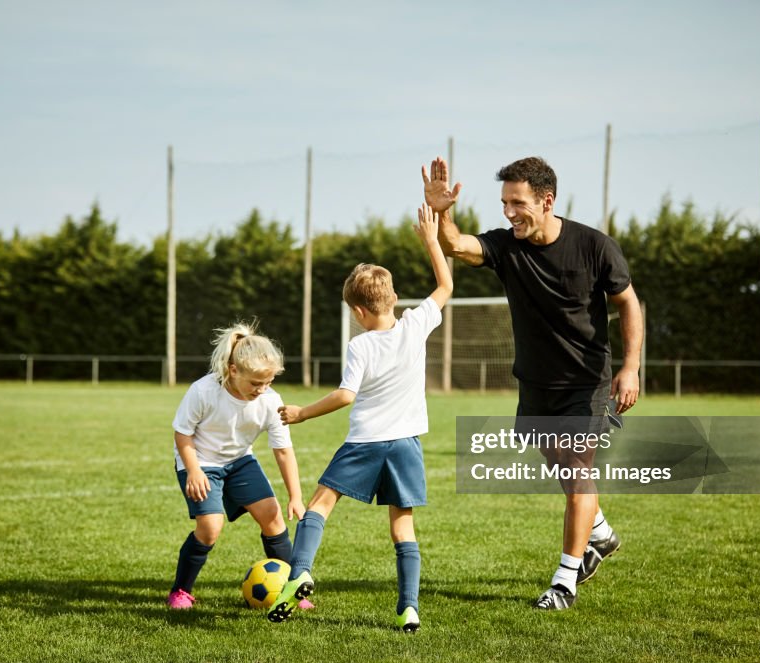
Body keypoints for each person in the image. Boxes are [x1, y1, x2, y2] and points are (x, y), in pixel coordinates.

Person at [421, 155, 643, 610]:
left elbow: (629, 304)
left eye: (517, 203)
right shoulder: (508, 247)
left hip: (587, 381)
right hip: (536, 382)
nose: (508, 212)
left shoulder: (596, 246)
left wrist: (630, 366)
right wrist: (442, 210)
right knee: (557, 459)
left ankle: (564, 582)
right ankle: (599, 533)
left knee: (578, 472)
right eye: (504, 203)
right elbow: (457, 245)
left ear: (546, 200)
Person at [267, 202, 453, 632]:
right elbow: (444, 283)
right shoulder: (415, 325)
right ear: (392, 298)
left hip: (366, 441)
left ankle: (300, 573)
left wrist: (302, 413)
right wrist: (430, 239)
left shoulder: (360, 345)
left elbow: (346, 395)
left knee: (319, 504)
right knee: (402, 526)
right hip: (407, 444)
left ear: (358, 312)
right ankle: (409, 608)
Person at [167, 322, 310, 611]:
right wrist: (193, 470)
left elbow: (283, 451)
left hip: (240, 461)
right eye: (256, 383)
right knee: (210, 528)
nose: (262, 389)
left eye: (268, 382)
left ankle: (291, 590)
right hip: (200, 461)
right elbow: (182, 433)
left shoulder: (271, 401)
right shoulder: (204, 391)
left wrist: (295, 495)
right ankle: (180, 591)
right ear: (233, 370)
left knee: (272, 516)